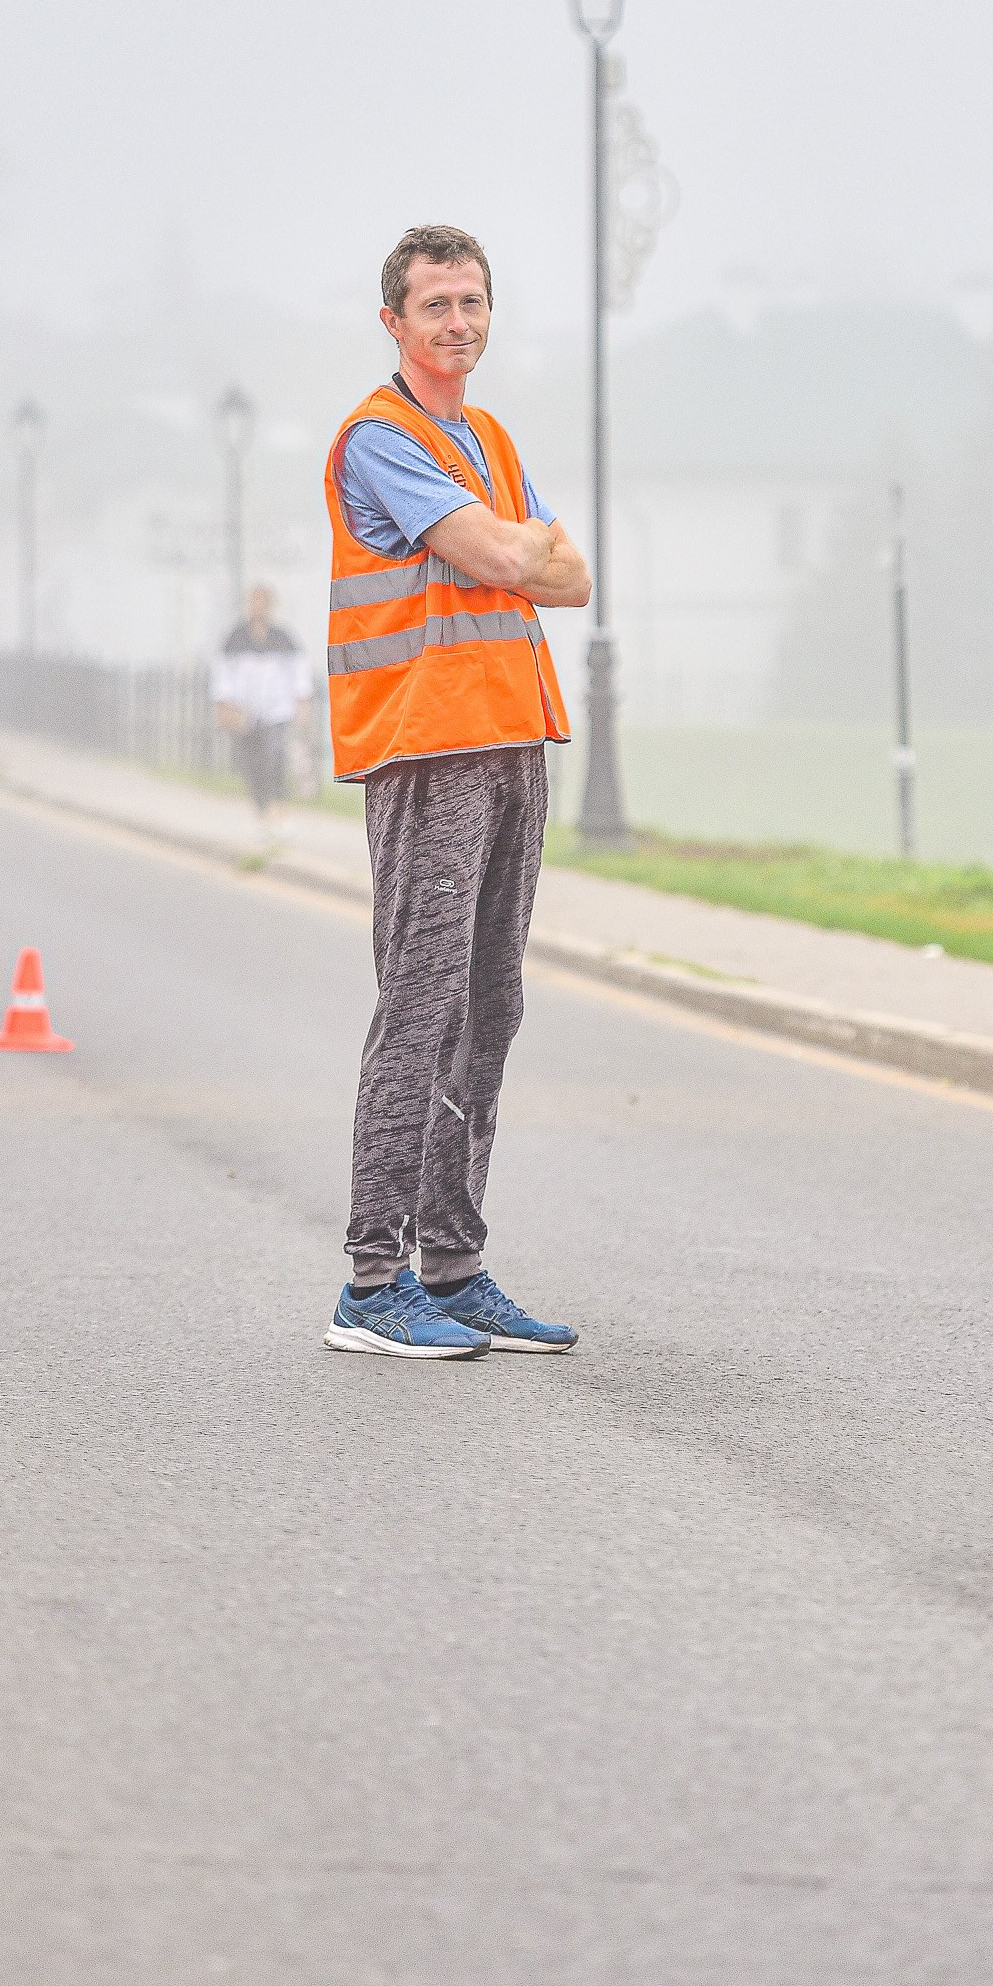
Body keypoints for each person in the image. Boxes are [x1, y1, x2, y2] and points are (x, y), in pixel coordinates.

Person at [321, 224, 592, 1360]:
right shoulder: (379, 439)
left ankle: (453, 1264)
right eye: (435, 305)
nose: (458, 323)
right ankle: (370, 1283)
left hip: (512, 740)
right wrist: (512, 546)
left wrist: (514, 548)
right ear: (393, 321)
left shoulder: (486, 437)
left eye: (472, 301)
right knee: (421, 1005)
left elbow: (571, 577)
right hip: (429, 751)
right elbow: (506, 557)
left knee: (489, 1007)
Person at [211, 584, 313, 821]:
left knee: (276, 754)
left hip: (277, 708)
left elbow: (299, 671)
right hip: (245, 710)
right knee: (252, 759)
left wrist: (302, 701)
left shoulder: (283, 637)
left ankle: (279, 802)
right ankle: (261, 806)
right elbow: (223, 673)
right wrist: (224, 704)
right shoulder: (235, 637)